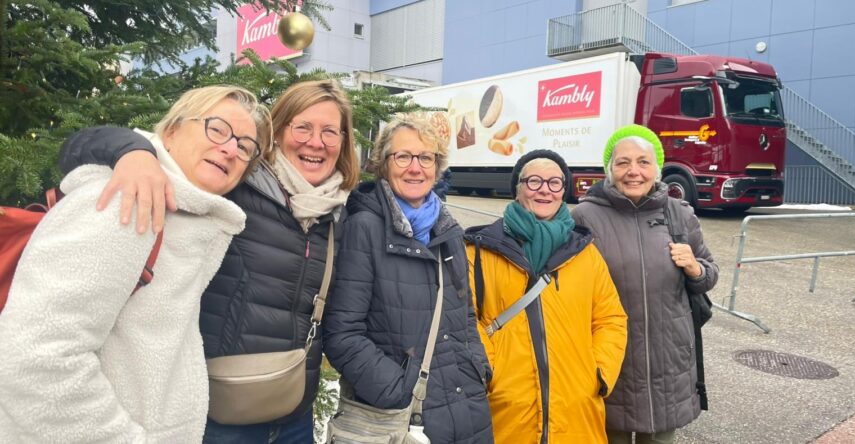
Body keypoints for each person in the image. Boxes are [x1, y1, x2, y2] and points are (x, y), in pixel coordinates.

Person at [55, 79, 360, 443]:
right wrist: (132, 152)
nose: (315, 142)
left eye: (330, 132)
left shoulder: (340, 212)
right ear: (277, 132)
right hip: (219, 414)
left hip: (293, 413)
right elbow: (81, 146)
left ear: (343, 142)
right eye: (303, 127)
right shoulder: (234, 185)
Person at [0, 85, 268, 442]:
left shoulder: (186, 219)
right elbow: (36, 358)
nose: (231, 148)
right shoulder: (126, 201)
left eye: (245, 146)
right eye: (216, 129)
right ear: (171, 130)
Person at [323, 113, 493, 443]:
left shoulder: (449, 230)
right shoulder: (364, 228)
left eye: (425, 157)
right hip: (401, 417)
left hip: (467, 408)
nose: (415, 168)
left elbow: (466, 316)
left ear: (437, 165)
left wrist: (478, 370)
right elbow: (342, 333)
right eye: (403, 156)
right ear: (384, 164)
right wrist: (397, 390)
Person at [463, 149, 628, 444]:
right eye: (534, 181)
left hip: (576, 413)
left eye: (555, 183)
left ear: (563, 191)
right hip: (505, 412)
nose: (544, 190)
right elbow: (464, 320)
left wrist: (598, 373)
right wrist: (490, 371)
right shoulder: (478, 251)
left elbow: (611, 318)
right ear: (517, 189)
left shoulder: (585, 253)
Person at [571, 124, 719, 444]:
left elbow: (710, 273)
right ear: (609, 169)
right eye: (623, 162)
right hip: (611, 359)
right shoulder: (584, 217)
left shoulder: (680, 214)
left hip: (669, 361)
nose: (633, 171)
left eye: (643, 162)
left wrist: (695, 268)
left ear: (657, 169)